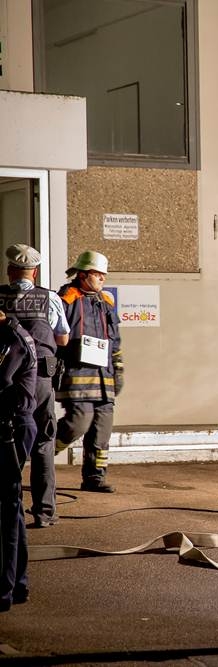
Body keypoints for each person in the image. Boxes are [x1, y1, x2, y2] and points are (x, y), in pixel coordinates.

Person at [0, 244, 70, 528]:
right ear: (35, 272)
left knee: (5, 441)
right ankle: (44, 512)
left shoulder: (0, 298)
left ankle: (7, 506)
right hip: (39, 379)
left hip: (4, 380)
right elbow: (62, 338)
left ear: (9, 270)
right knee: (42, 442)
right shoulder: (49, 298)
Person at [55, 251, 123, 493]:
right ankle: (41, 453)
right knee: (78, 423)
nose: (103, 278)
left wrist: (118, 368)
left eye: (104, 274)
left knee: (102, 430)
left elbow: (115, 340)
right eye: (98, 274)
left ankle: (95, 477)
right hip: (77, 375)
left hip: (105, 378)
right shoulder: (66, 299)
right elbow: (55, 335)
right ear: (83, 275)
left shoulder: (106, 302)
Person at [0, 310, 37, 612]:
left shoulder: (11, 339)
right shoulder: (9, 334)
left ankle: (5, 589)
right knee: (12, 508)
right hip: (13, 424)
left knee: (7, 508)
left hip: (13, 427)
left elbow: (1, 380)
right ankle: (18, 584)